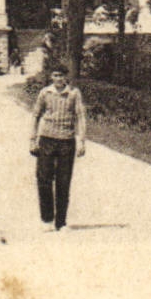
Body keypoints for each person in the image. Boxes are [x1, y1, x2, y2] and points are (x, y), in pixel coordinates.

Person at [29, 64, 87, 231]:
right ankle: (47, 219)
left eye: (61, 75)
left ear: (65, 77)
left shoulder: (74, 94)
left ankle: (61, 222)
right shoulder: (45, 93)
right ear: (51, 77)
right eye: (55, 75)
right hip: (46, 139)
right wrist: (32, 140)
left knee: (63, 181)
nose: (58, 79)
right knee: (44, 179)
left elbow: (80, 117)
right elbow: (35, 115)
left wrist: (81, 140)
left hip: (66, 141)